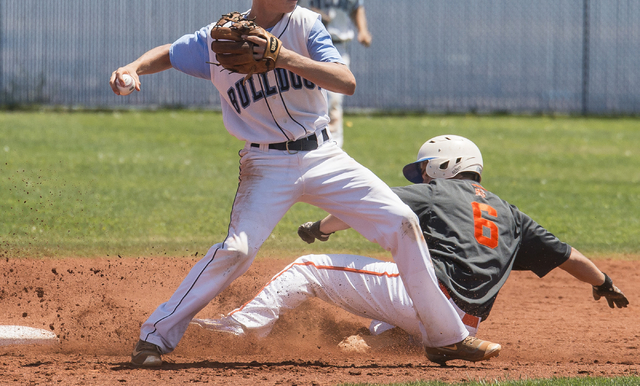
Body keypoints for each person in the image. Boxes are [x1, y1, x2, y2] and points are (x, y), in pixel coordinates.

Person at [110, 0, 497, 367]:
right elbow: (170, 51)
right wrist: (132, 68)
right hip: (266, 165)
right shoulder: (220, 39)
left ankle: (445, 336)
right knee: (237, 250)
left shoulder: (307, 25)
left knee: (402, 222)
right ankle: (155, 335)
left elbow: (345, 81)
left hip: (324, 156)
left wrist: (283, 56)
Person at [192, 135, 629, 365]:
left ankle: (242, 328)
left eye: (425, 169)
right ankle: (375, 341)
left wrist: (319, 227)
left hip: (427, 301)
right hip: (466, 324)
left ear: (443, 167)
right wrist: (605, 283)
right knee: (401, 292)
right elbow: (570, 256)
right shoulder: (513, 216)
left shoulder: (439, 193)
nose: (423, 177)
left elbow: (366, 204)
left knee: (307, 267)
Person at [297, 0, 372, 148]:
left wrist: (363, 30)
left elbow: (357, 7)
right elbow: (290, 7)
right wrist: (312, 13)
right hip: (306, 45)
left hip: (337, 47)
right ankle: (306, 142)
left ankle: (333, 148)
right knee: (306, 97)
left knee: (333, 99)